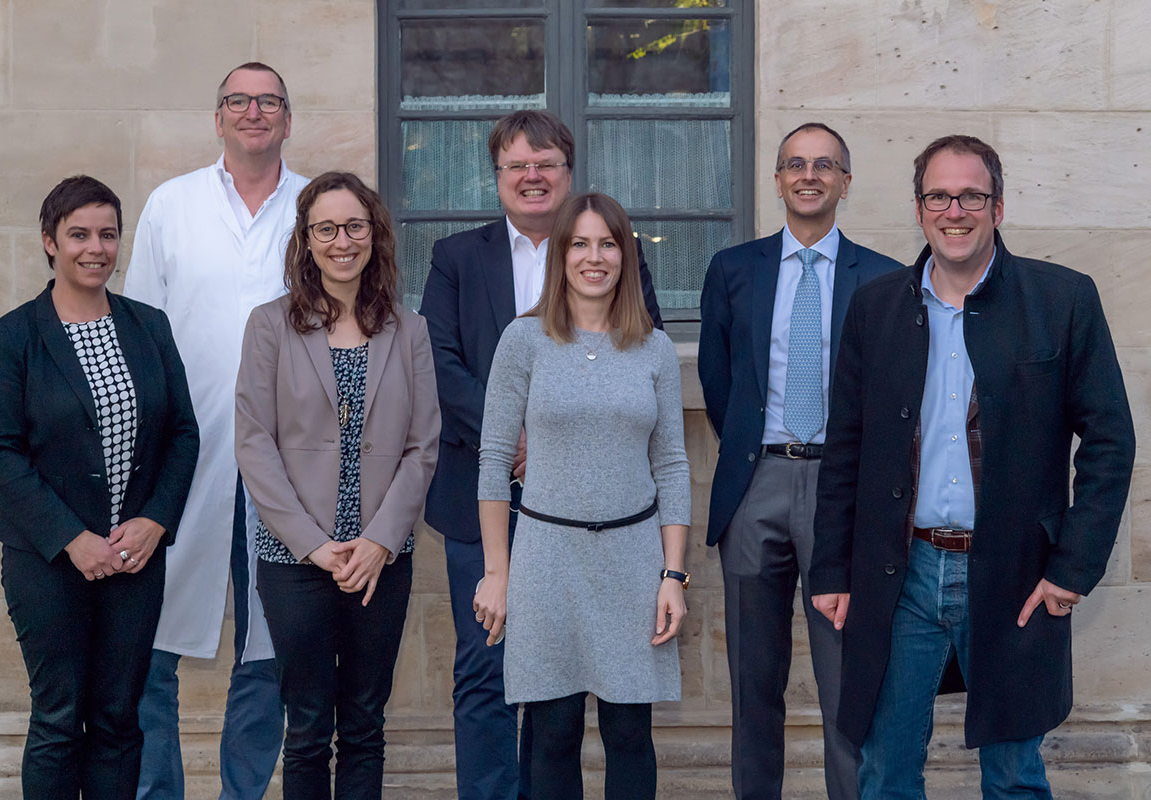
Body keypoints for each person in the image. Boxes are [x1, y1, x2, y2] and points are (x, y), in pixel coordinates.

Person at [809, 135, 1136, 798]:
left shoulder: (1062, 300)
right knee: (885, 770)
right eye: (938, 196)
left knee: (1015, 775)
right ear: (920, 207)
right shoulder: (875, 309)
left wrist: (1072, 568)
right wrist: (830, 570)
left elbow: (1110, 442)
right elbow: (845, 448)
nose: (954, 210)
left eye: (970, 196)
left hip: (1014, 574)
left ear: (998, 206)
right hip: (899, 577)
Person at [420, 109, 663, 800]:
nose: (532, 177)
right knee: (487, 666)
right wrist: (519, 437)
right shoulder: (456, 257)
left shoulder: (611, 252)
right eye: (516, 165)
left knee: (571, 686)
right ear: (496, 177)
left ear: (567, 173)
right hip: (484, 489)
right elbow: (440, 360)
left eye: (546, 164)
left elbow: (642, 347)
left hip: (595, 508)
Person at [0, 176, 199, 799]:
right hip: (48, 560)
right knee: (56, 720)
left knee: (117, 720)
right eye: (78, 234)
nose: (95, 247)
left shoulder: (149, 327)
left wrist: (156, 519)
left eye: (107, 233)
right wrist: (73, 538)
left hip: (134, 557)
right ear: (50, 241)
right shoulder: (12, 337)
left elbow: (183, 433)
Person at [697, 122, 901, 800]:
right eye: (795, 164)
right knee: (753, 681)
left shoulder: (885, 278)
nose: (808, 175)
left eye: (824, 165)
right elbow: (720, 382)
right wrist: (760, 455)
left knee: (848, 681)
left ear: (846, 181)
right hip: (757, 482)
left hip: (844, 489)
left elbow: (892, 395)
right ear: (778, 179)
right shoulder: (733, 269)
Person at [123, 62, 309, 799]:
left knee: (267, 653)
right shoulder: (173, 204)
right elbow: (140, 331)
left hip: (290, 464)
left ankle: (242, 794)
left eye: (269, 102)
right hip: (182, 458)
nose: (254, 112)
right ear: (219, 117)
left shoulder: (317, 205)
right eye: (239, 100)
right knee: (152, 647)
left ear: (288, 120)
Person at [472, 192, 689, 800]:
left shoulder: (655, 349)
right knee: (553, 733)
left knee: (628, 733)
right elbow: (492, 460)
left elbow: (672, 465)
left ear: (626, 254)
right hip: (546, 559)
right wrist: (498, 573)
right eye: (580, 244)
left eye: (608, 243)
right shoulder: (524, 341)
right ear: (561, 254)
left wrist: (673, 575)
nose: (595, 257)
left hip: (633, 562)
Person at [234, 171, 440, 798]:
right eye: (326, 228)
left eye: (354, 226)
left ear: (373, 236)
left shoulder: (409, 331)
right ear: (307, 239)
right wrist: (313, 544)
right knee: (306, 729)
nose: (341, 241)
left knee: (364, 726)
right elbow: (254, 442)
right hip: (295, 559)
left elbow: (422, 445)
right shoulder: (269, 326)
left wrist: (379, 540)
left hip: (381, 558)